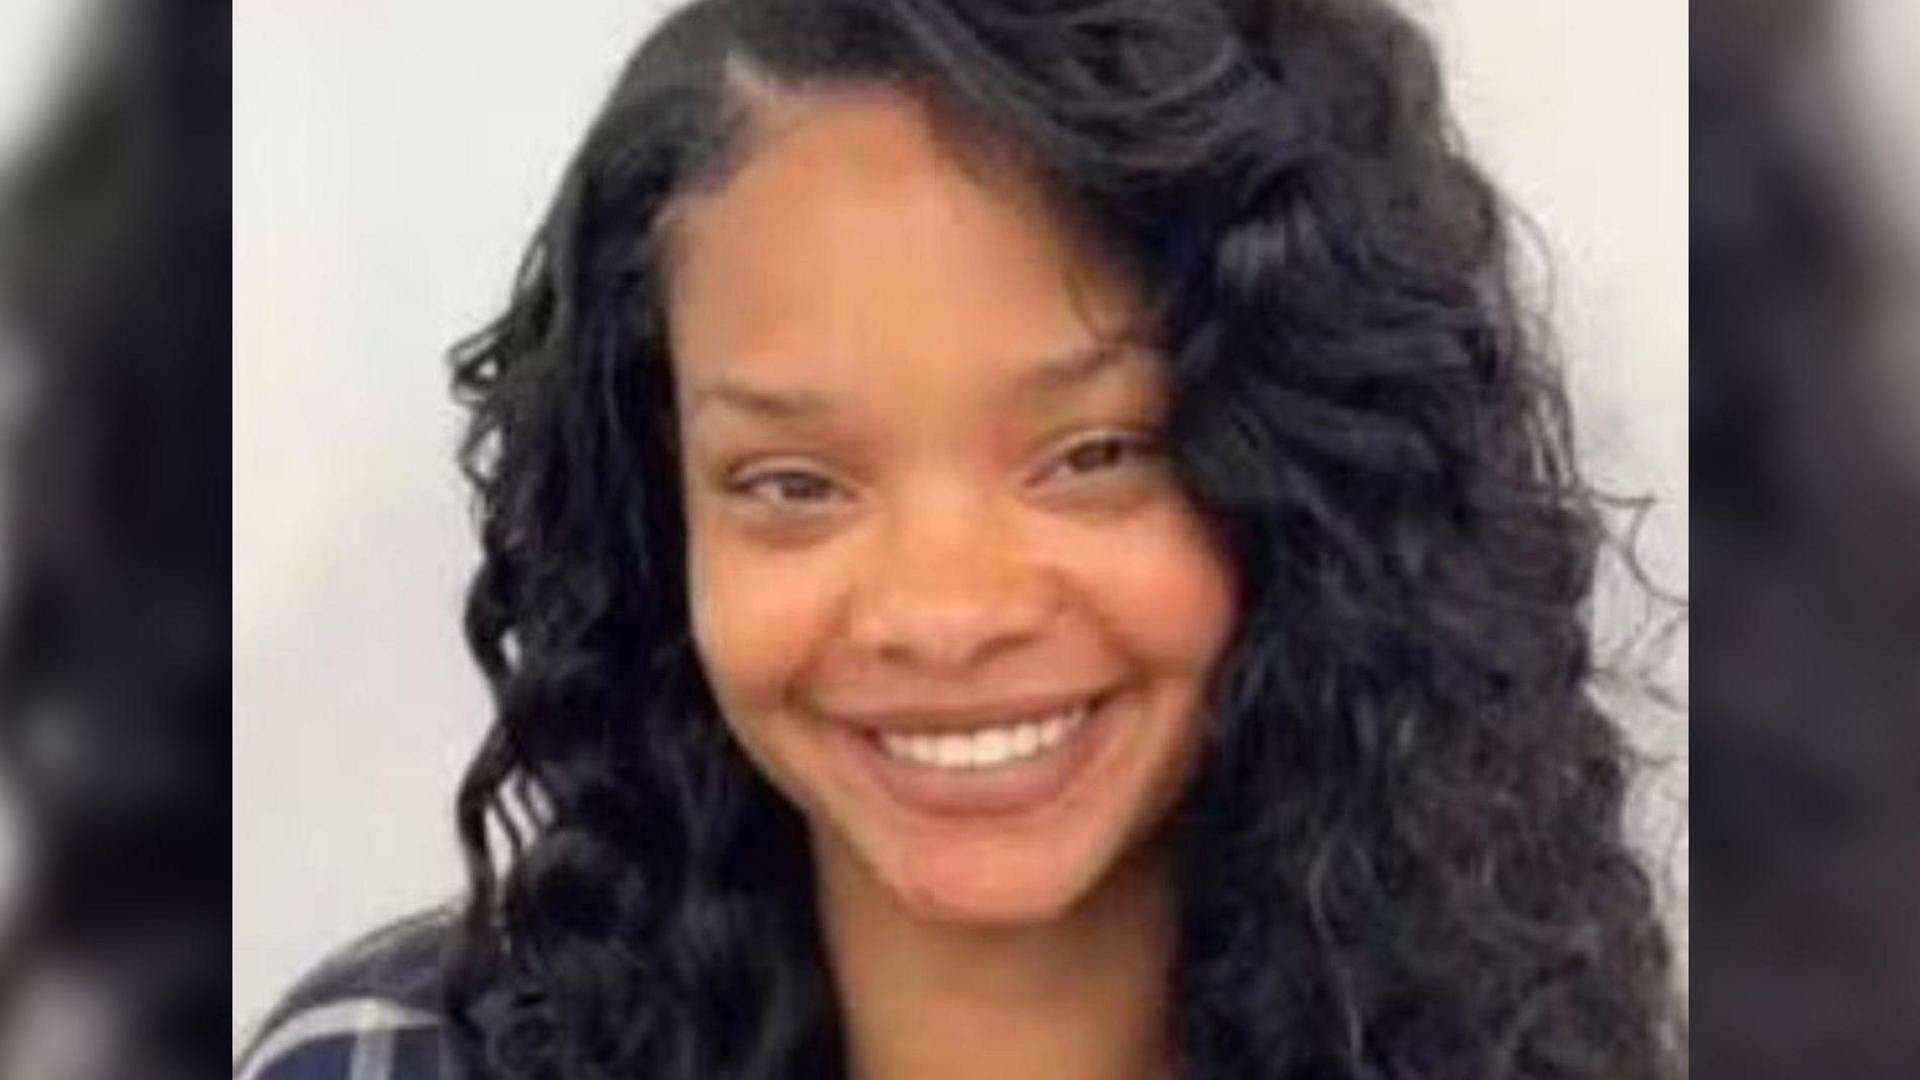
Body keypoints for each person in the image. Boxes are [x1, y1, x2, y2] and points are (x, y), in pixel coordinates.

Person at [237, 1, 1682, 1077]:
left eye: (1093, 455)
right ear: (655, 514)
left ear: (1321, 486)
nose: (942, 613)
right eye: (793, 483)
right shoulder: (384, 1062)